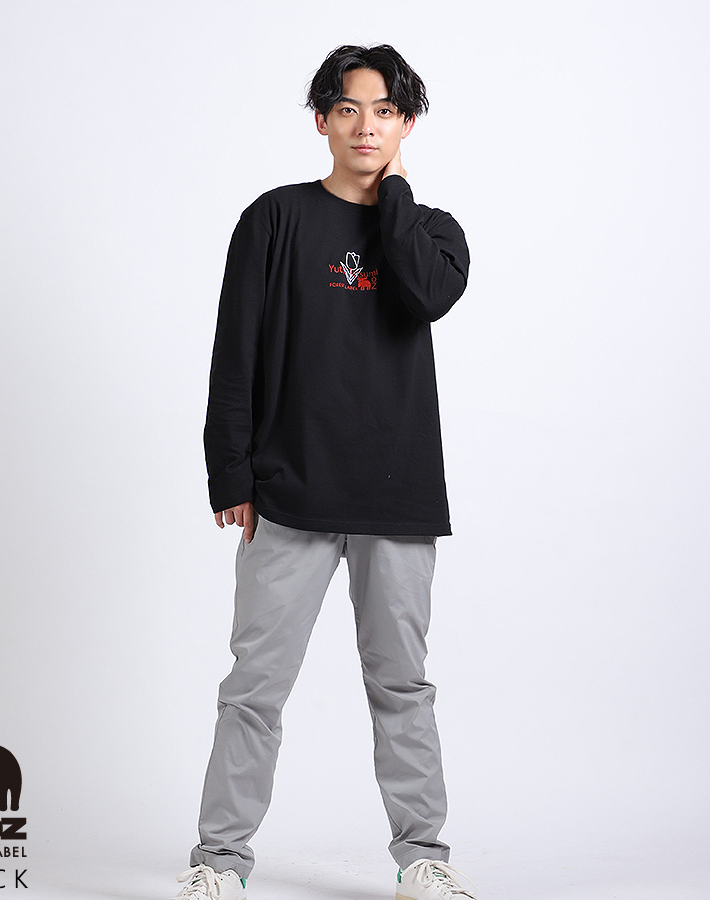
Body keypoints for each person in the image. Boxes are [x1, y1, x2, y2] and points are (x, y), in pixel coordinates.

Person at [173, 44, 474, 900]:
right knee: (254, 687)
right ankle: (219, 861)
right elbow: (234, 352)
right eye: (348, 109)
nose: (365, 126)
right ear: (322, 120)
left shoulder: (433, 232)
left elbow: (425, 295)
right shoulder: (274, 219)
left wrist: (396, 198)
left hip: (397, 495)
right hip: (289, 492)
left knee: (402, 685)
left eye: (384, 111)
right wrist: (230, 474)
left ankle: (423, 858)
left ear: (405, 123)